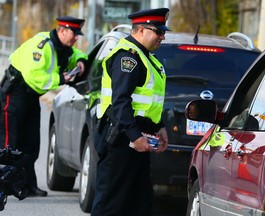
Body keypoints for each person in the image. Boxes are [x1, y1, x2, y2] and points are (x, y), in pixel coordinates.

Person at [92, 8, 170, 216]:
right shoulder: (128, 57)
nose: (162, 37)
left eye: (164, 33)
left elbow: (146, 102)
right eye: (158, 32)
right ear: (141, 30)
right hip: (122, 139)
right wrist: (135, 137)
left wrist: (159, 126)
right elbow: (121, 102)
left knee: (138, 203)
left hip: (138, 138)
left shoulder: (146, 57)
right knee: (111, 203)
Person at [0, 16, 88, 197]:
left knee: (31, 143)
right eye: (73, 34)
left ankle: (27, 185)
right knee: (9, 142)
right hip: (15, 94)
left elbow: (77, 55)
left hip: (32, 97)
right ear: (62, 30)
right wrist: (61, 79)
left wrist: (81, 62)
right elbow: (34, 76)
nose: (76, 38)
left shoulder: (63, 48)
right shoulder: (42, 45)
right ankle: (4, 185)